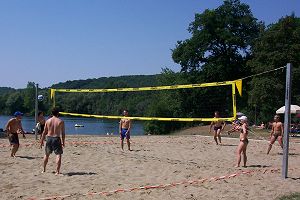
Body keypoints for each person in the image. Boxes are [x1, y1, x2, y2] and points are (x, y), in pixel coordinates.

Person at [40, 107, 65, 175]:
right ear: (58, 113)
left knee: (46, 155)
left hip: (49, 138)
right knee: (58, 155)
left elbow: (44, 132)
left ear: (52, 113)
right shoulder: (60, 121)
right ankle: (57, 171)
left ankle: (44, 169)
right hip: (56, 138)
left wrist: (41, 141)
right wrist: (63, 142)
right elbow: (63, 133)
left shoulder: (48, 121)